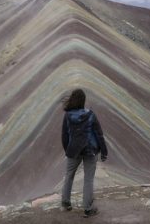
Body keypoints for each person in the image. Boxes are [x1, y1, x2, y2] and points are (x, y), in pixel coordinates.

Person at [61, 89, 108, 218]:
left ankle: (65, 203)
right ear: (83, 100)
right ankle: (88, 208)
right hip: (90, 151)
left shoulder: (68, 116)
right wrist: (104, 151)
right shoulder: (90, 115)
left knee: (69, 175)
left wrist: (68, 150)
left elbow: (64, 135)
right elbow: (99, 134)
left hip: (73, 150)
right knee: (88, 179)